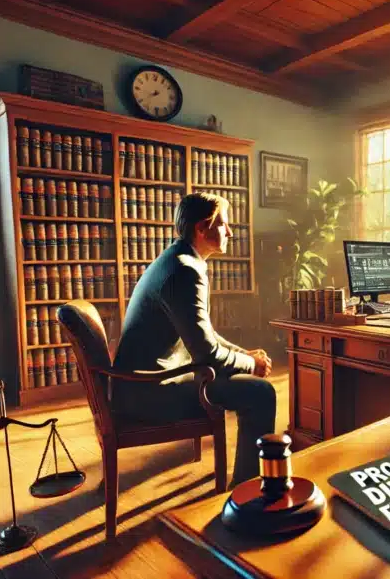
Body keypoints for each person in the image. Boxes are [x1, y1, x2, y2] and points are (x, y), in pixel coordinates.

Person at [113, 192, 275, 488]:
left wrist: (244, 354)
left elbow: (204, 334)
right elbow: (207, 353)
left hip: (141, 386)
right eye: (223, 224)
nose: (230, 232)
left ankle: (247, 483)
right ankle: (249, 490)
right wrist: (251, 365)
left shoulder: (178, 259)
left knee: (245, 380)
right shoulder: (185, 271)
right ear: (201, 228)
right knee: (260, 393)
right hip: (150, 393)